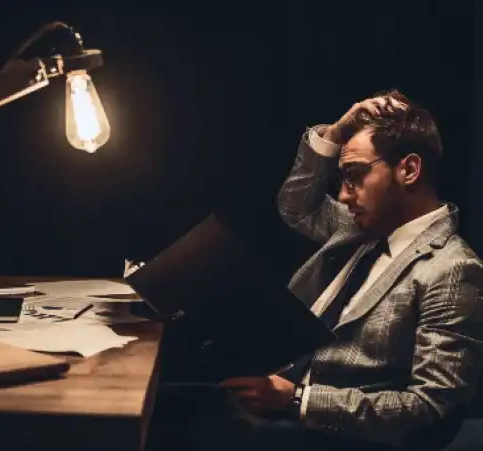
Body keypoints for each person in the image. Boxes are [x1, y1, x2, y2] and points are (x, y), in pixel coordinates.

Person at [148, 91, 483, 451]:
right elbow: (296, 206)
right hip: (275, 389)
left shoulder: (453, 269)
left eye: (354, 175)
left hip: (332, 432)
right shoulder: (364, 226)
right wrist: (337, 132)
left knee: (160, 433)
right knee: (154, 404)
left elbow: (430, 408)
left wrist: (297, 400)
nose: (342, 195)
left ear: (409, 170)